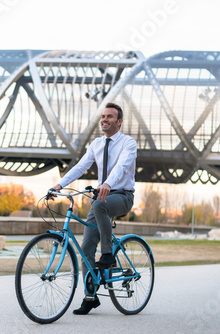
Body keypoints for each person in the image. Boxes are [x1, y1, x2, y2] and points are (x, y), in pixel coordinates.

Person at [51, 102, 137, 315]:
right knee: (86, 247)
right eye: (103, 116)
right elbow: (81, 166)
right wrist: (59, 185)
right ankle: (90, 297)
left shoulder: (128, 143)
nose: (104, 119)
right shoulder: (97, 144)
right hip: (101, 196)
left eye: (110, 117)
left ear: (119, 122)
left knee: (98, 203)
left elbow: (122, 166)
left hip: (122, 195)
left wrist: (108, 183)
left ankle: (108, 254)